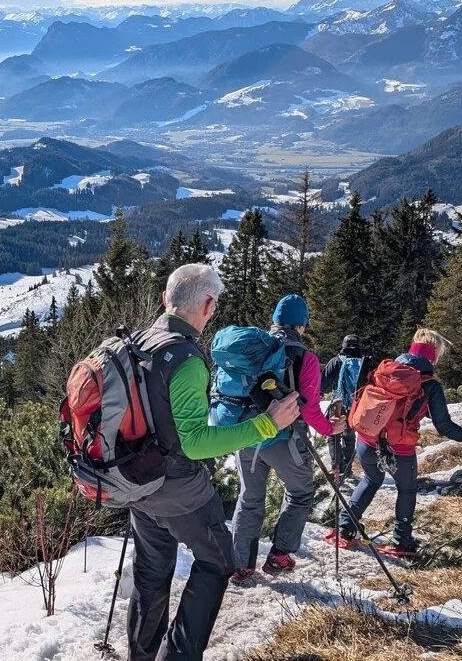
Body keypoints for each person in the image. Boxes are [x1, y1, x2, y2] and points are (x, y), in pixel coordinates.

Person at [125, 264, 301, 661]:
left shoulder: (138, 341)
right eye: (213, 305)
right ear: (208, 304)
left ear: (164, 301)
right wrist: (266, 424)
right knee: (217, 562)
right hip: (179, 489)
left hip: (137, 481)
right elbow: (196, 442)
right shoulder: (186, 358)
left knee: (151, 575)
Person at [327, 329, 462, 557]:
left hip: (367, 439)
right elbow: (443, 426)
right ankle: (401, 541)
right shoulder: (430, 385)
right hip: (399, 448)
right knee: (407, 490)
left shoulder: (386, 370)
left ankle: (344, 529)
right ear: (434, 355)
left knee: (371, 479)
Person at [228, 295, 346, 585]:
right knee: (301, 492)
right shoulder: (305, 358)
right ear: (301, 326)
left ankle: (239, 564)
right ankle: (279, 556)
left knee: (250, 497)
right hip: (284, 438)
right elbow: (308, 407)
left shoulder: (253, 348)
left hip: (247, 435)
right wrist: (330, 430)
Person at [320, 334, 377, 480]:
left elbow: (322, 384)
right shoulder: (365, 363)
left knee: (333, 435)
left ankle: (336, 469)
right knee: (349, 436)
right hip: (357, 405)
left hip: (337, 404)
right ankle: (348, 469)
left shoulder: (336, 361)